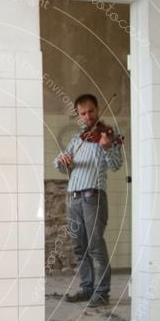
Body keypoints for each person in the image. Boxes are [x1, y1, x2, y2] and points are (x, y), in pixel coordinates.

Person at [54, 93, 123, 307]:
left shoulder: (108, 136)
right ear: (79, 116)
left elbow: (115, 165)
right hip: (73, 198)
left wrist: (106, 147)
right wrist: (62, 160)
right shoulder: (77, 140)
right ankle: (86, 288)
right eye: (83, 113)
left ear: (98, 109)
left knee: (95, 246)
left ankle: (102, 293)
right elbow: (59, 164)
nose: (87, 116)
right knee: (79, 246)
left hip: (94, 197)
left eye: (91, 111)